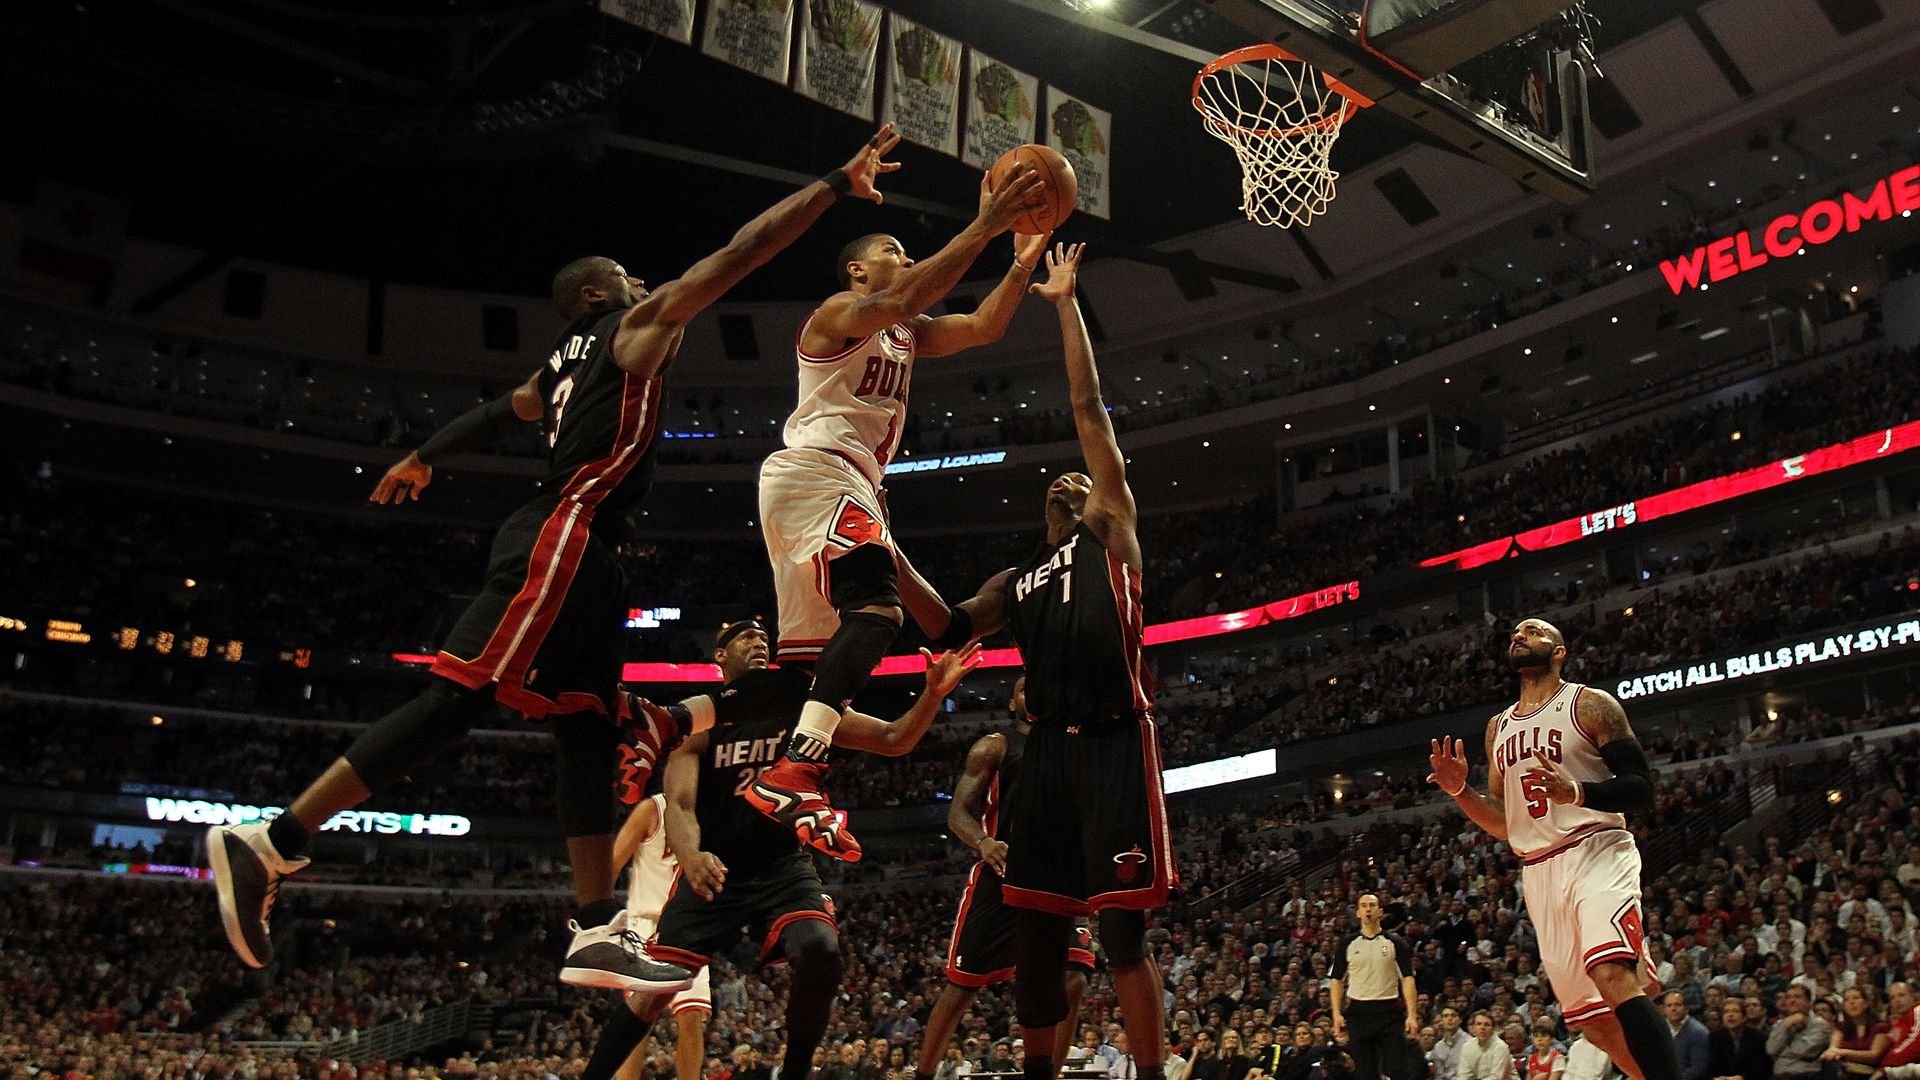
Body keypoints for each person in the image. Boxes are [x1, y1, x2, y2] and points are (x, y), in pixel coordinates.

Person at [205, 124, 904, 992]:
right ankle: (273, 840)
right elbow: (743, 250)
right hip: (566, 529)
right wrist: (833, 184)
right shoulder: (630, 327)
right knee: (459, 695)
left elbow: (507, 409)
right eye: (631, 277)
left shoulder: (559, 364)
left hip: (595, 552)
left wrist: (426, 453)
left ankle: (594, 928)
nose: (647, 284)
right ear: (598, 293)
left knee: (586, 722)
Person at [892, 244, 1175, 1080]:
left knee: (1121, 934)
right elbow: (947, 626)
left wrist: (1064, 303)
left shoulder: (1109, 530)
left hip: (1115, 739)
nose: (1065, 480)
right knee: (1041, 941)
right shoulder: (1014, 580)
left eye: (1077, 479)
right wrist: (885, 549)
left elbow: (1087, 406)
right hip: (1047, 752)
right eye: (1055, 481)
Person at [741, 161, 1052, 862]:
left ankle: (791, 776)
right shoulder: (837, 315)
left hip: (845, 486)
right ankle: (795, 770)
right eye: (894, 251)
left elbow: (982, 327)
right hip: (819, 471)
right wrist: (987, 224)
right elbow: (911, 293)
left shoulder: (907, 330)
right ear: (857, 271)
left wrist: (1020, 262)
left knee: (828, 658)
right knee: (878, 609)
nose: (907, 261)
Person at [576, 622, 983, 1080]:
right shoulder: (700, 720)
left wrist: (932, 694)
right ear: (720, 656)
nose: (759, 642)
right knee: (652, 991)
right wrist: (690, 856)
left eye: (763, 638)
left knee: (821, 950)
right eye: (746, 637)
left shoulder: (800, 707)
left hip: (782, 867)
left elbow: (894, 739)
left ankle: (795, 1072)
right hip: (717, 870)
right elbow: (681, 805)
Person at [1428, 619, 1683, 1080]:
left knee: (1611, 973)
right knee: (1594, 1023)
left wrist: (1577, 792)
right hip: (1539, 868)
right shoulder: (1498, 727)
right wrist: (1461, 791)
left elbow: (1641, 789)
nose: (1519, 636)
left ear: (1559, 650)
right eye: (1516, 633)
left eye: (1532, 631)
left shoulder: (1590, 704)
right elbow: (1504, 822)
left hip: (1595, 848)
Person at [914, 675, 1095, 1080]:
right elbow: (958, 813)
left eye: (1039, 685)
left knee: (1074, 978)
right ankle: (923, 1074)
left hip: (1058, 877)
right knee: (961, 987)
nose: (1033, 692)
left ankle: (1049, 1075)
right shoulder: (995, 746)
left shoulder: (1073, 743)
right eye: (1023, 689)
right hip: (1001, 877)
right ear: (1013, 704)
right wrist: (983, 842)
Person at [1333, 895, 1422, 1080]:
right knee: (1365, 1073)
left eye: (1372, 905)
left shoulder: (1394, 942)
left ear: (1380, 912)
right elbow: (1337, 981)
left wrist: (1412, 1015)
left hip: (1388, 1010)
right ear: (1358, 913)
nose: (1368, 909)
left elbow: (1408, 979)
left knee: (1397, 1070)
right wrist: (1337, 1014)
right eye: (1364, 906)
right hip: (1359, 1012)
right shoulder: (1347, 943)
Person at [1765, 986, 1831, 1080]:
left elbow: (1804, 1051)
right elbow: (1771, 1050)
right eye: (1788, 997)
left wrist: (1782, 1052)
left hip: (1807, 1075)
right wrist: (1786, 1025)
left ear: (1809, 1002)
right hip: (1779, 1076)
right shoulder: (1780, 1024)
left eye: (1797, 997)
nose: (1792, 1001)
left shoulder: (1820, 1024)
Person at [1822, 987, 1888, 1080]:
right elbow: (1832, 1049)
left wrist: (1843, 1052)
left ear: (1866, 1003)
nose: (1851, 1002)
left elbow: (1874, 1055)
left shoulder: (1880, 1027)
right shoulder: (1841, 1027)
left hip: (1868, 1074)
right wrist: (1835, 1053)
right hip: (1843, 1070)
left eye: (1856, 998)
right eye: (1846, 1000)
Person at [1708, 1000, 1769, 1080]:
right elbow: (1711, 1066)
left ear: (1744, 1017)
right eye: (1726, 1012)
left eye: (1735, 1011)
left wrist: (1741, 1077)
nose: (1730, 1015)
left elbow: (1761, 1068)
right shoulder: (1715, 1037)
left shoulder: (1758, 1038)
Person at [1458, 1013, 1519, 1080]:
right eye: (1479, 1024)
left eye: (1487, 1025)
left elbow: (1496, 1077)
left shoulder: (1501, 1047)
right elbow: (1464, 1074)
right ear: (1473, 1028)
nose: (1482, 1028)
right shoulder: (1468, 1046)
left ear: (1493, 1028)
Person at [1663, 993, 1710, 1080]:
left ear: (1686, 1009)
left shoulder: (1699, 1032)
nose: (1673, 1009)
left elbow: (1699, 1067)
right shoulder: (1659, 1029)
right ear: (1664, 1010)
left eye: (1678, 1005)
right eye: (1669, 1005)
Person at [1879, 982, 1920, 1080]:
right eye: (1892, 998)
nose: (1897, 1000)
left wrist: (1884, 1069)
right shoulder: (1899, 1023)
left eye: (1902, 995)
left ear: (1913, 997)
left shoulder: (1918, 1011)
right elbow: (1888, 1042)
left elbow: (1914, 1044)